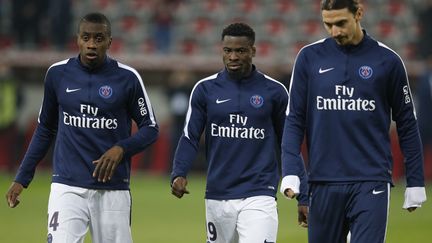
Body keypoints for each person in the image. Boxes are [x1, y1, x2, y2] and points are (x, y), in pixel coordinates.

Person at [280, 1, 427, 243]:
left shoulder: (387, 61)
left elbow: (407, 124)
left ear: (358, 13)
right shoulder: (309, 58)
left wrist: (415, 181)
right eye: (328, 24)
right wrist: (290, 172)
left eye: (341, 23)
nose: (334, 31)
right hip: (322, 181)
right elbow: (294, 120)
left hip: (371, 180)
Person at [5, 12, 159, 243]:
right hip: (66, 186)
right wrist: (22, 178)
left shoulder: (128, 78)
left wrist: (122, 149)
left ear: (109, 41)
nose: (91, 44)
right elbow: (45, 128)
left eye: (99, 38)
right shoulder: (57, 74)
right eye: (86, 37)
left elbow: (150, 128)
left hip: (113, 189)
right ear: (77, 39)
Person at [170, 22, 307, 243]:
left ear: (253, 51)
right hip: (217, 194)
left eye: (240, 51)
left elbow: (290, 145)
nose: (233, 56)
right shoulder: (205, 89)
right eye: (228, 50)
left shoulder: (275, 92)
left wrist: (305, 196)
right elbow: (190, 136)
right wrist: (178, 173)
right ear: (221, 51)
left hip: (260, 193)